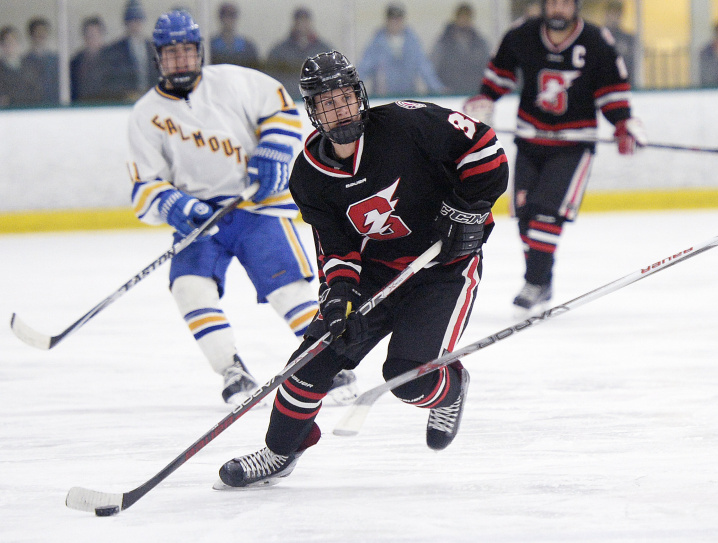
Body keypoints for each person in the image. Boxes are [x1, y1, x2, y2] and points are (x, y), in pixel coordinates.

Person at [214, 51, 509, 488]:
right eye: (326, 103)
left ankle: (451, 386)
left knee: (407, 378)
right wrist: (338, 297)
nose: (339, 110)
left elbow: (484, 148)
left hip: (442, 268)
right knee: (305, 369)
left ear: (360, 95)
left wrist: (465, 211)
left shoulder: (407, 125)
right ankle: (280, 452)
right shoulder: (309, 176)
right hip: (376, 275)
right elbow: (335, 247)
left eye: (345, 98)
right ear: (313, 112)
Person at [127, 11, 358, 406]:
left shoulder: (234, 81)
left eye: (187, 50)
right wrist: (173, 204)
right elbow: (143, 186)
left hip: (258, 207)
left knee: (288, 290)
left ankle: (330, 363)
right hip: (199, 220)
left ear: (199, 50)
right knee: (189, 288)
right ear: (158, 57)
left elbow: (284, 109)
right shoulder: (145, 115)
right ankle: (232, 371)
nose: (181, 59)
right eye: (172, 52)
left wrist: (272, 148)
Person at [463, 0, 646, 311]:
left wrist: (623, 123)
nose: (558, 9)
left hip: (573, 145)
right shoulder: (522, 34)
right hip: (530, 140)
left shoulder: (596, 40)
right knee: (525, 216)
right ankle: (542, 280)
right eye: (553, 3)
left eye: (565, 3)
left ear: (576, 6)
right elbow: (498, 77)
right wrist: (484, 99)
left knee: (546, 210)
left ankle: (534, 282)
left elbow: (612, 89)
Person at [358, 4, 445, 97]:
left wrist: (437, 89)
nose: (395, 22)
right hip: (383, 97)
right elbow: (364, 67)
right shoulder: (377, 43)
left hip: (408, 96)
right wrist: (353, 87)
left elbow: (424, 67)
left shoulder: (412, 42)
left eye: (398, 19)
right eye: (392, 19)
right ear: (387, 20)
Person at [265, 7, 333, 97]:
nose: (302, 25)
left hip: (318, 102)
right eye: (299, 21)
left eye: (305, 21)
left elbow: (332, 78)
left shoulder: (324, 50)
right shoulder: (279, 51)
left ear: (310, 23)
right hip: (288, 101)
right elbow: (271, 80)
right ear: (294, 23)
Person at [430, 3, 491, 95]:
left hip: (473, 92)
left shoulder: (480, 43)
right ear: (456, 18)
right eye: (462, 17)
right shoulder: (444, 42)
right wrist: (439, 88)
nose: (464, 21)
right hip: (450, 93)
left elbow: (488, 67)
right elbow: (433, 67)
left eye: (467, 18)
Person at [104, 0, 159, 101]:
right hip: (124, 101)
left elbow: (156, 75)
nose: (135, 25)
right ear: (126, 23)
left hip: (150, 98)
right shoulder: (115, 50)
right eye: (132, 20)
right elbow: (113, 79)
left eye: (138, 20)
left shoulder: (152, 48)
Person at [70, 16, 111, 103]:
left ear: (101, 34)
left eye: (94, 34)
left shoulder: (112, 60)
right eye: (88, 35)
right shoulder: (76, 62)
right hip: (83, 107)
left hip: (106, 107)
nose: (91, 38)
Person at [209, 2, 260, 69]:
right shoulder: (210, 46)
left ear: (236, 18)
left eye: (232, 16)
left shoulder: (248, 47)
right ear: (220, 18)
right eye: (225, 15)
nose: (228, 20)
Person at [20, 17, 59, 105]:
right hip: (31, 107)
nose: (41, 35)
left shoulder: (56, 60)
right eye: (38, 32)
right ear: (31, 35)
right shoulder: (24, 62)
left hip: (54, 106)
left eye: (44, 32)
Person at [602, 1, 636, 81]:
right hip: (603, 83)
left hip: (623, 82)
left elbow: (632, 64)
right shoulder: (598, 37)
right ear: (606, 14)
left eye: (617, 14)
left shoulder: (628, 39)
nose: (614, 17)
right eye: (612, 13)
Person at [0, 25, 32, 108]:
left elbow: (37, 92)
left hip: (29, 112)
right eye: (7, 42)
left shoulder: (31, 67)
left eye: (14, 41)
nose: (11, 45)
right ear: (2, 45)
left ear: (19, 43)